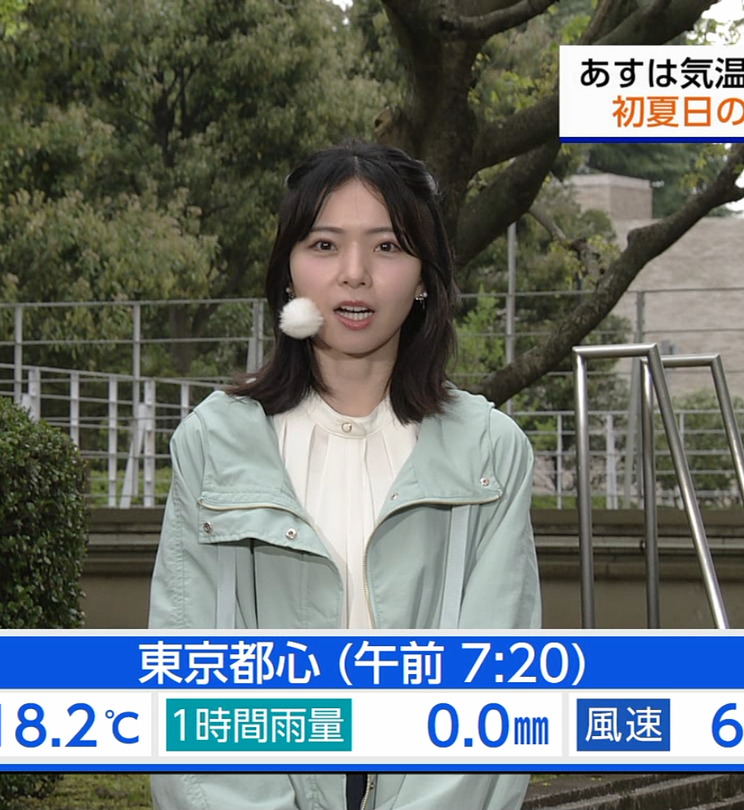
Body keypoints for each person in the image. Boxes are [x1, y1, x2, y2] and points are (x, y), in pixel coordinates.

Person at [148, 143, 541, 810]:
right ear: (288, 272)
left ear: (424, 277)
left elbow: (498, 686)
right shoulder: (215, 441)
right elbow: (189, 676)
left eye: (387, 247)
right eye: (325, 245)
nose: (354, 274)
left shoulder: (489, 450)